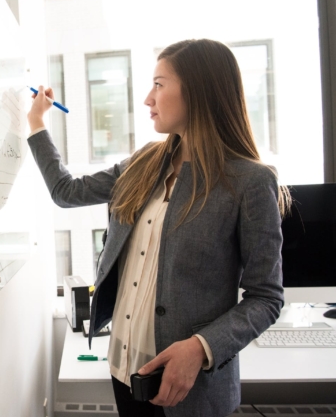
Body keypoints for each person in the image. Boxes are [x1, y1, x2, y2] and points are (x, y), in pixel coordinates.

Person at [26, 39, 290, 417]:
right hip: (124, 373)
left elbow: (266, 298)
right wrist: (36, 123)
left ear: (198, 91)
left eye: (159, 84)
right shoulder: (145, 162)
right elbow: (66, 192)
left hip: (190, 392)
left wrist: (201, 347)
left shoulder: (249, 181)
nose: (148, 98)